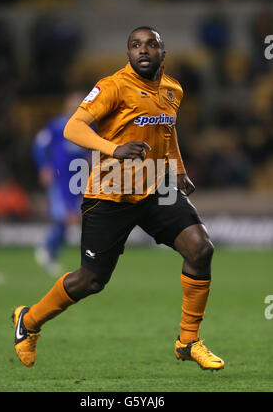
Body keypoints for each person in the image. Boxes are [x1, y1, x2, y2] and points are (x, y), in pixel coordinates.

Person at [13, 26, 224, 371]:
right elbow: (73, 127)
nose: (143, 50)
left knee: (201, 248)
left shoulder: (173, 90)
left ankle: (188, 341)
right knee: (91, 280)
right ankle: (30, 320)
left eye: (150, 45)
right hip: (109, 192)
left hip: (155, 187)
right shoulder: (113, 86)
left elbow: (167, 134)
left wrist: (179, 169)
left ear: (162, 53)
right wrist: (114, 149)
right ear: (128, 53)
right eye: (135, 45)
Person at [32, 92, 88, 275]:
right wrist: (44, 166)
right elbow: (40, 146)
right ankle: (47, 249)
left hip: (78, 181)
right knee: (65, 216)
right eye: (73, 105)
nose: (76, 108)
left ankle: (51, 251)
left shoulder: (88, 127)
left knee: (72, 218)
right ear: (66, 107)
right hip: (59, 178)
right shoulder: (56, 126)